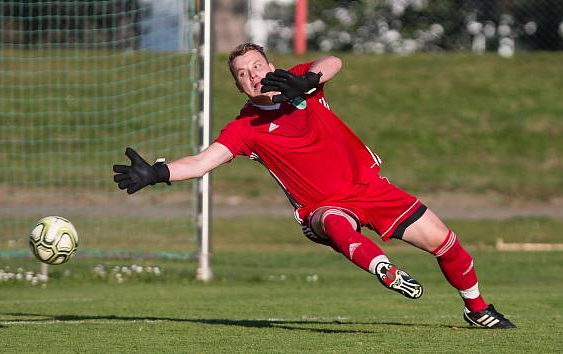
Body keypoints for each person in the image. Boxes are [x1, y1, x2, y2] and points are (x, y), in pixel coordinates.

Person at [112, 42, 516, 329]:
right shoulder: (245, 128)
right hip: (320, 207)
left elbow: (334, 60)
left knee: (447, 243)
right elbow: (202, 163)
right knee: (335, 222)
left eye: (256, 66)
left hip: (372, 189)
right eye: (242, 74)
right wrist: (158, 173)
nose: (253, 75)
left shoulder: (300, 81)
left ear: (270, 65)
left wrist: (311, 80)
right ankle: (383, 268)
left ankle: (478, 310)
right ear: (239, 87)